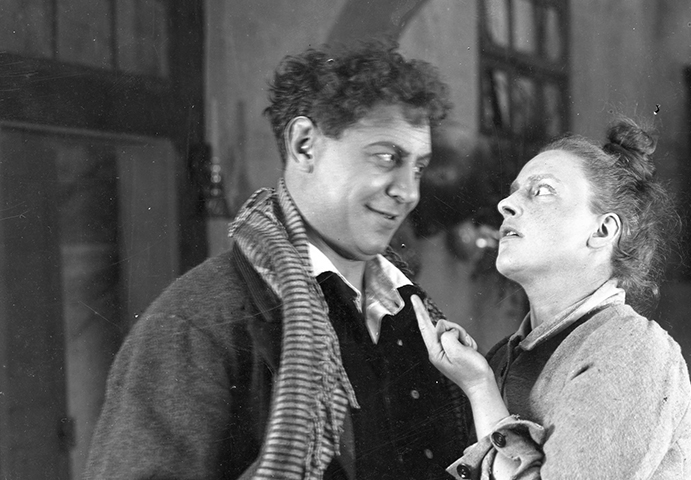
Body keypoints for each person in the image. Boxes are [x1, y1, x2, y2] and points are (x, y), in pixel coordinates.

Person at [85, 41, 471, 480]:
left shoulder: (413, 312)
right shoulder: (195, 322)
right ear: (305, 145)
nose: (409, 192)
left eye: (418, 167)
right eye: (387, 158)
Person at [412, 118, 691, 479]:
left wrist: (479, 387)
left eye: (542, 191)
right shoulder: (502, 358)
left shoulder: (633, 348)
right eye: (514, 191)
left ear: (603, 230)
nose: (505, 204)